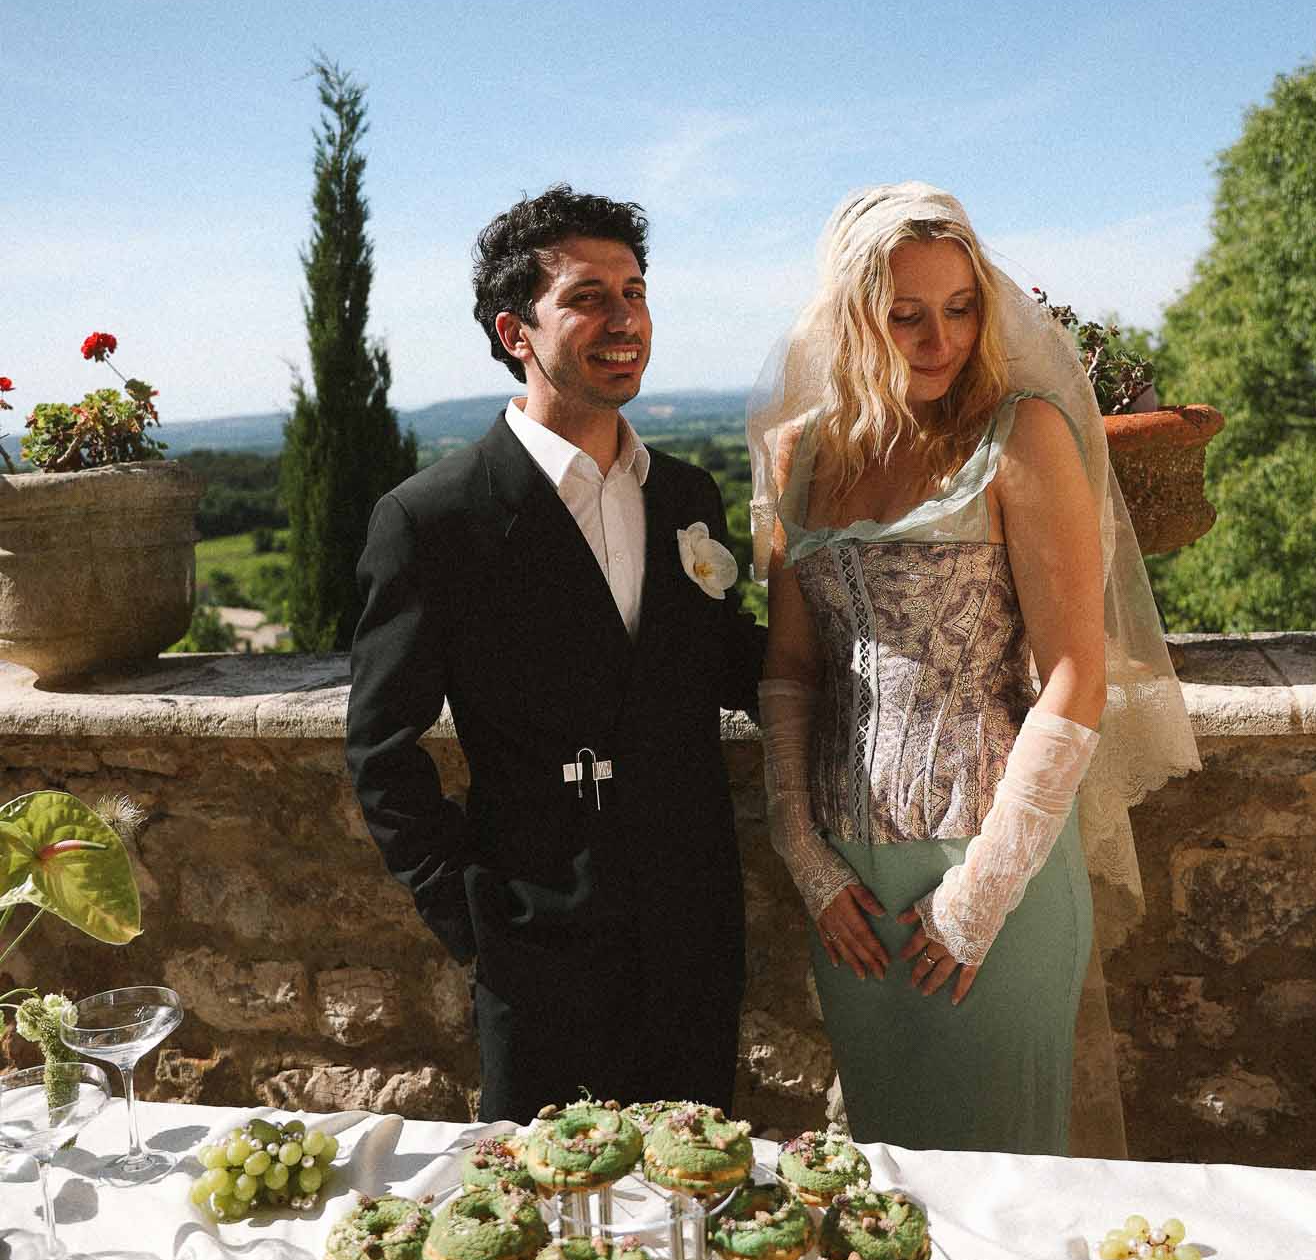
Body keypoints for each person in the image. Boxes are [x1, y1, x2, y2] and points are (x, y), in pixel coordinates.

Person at [749, 183, 1198, 1154]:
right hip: (849, 891)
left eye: (959, 308)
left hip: (998, 877)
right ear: (851, 316)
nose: (938, 336)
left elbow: (1075, 673)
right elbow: (790, 666)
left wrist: (979, 893)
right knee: (885, 1185)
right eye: (904, 313)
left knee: (1006, 1191)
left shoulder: (1020, 432)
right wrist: (801, 846)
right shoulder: (796, 454)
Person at [346, 184, 764, 1122]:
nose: (625, 319)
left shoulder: (685, 494)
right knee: (549, 1232)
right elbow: (379, 750)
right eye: (587, 297)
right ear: (515, 332)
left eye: (634, 290)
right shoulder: (432, 518)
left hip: (692, 926)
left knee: (696, 1199)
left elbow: (728, 661)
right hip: (535, 944)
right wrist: (474, 923)